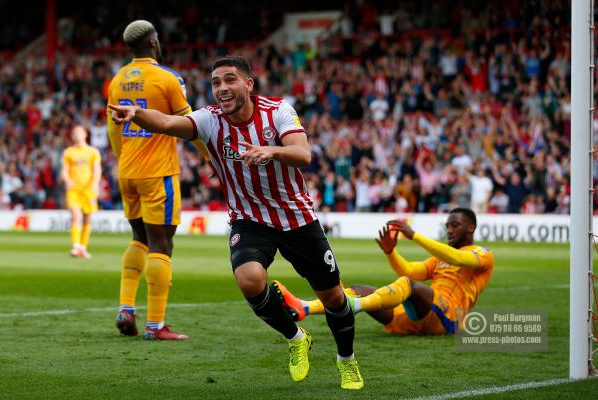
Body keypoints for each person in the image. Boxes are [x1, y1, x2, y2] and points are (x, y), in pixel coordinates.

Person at [108, 55, 363, 389]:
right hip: (249, 219)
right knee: (249, 280)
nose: (222, 88)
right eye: (216, 82)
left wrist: (269, 151)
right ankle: (297, 337)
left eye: (229, 80)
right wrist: (137, 114)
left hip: (296, 218)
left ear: (248, 84)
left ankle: (347, 361)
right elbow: (168, 123)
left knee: (333, 298)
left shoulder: (278, 111)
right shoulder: (210, 120)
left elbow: (303, 155)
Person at [107, 20, 208, 341]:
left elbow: (114, 130)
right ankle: (155, 325)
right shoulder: (167, 78)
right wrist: (210, 157)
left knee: (139, 238)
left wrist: (123, 160)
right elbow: (190, 122)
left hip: (128, 170)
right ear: (153, 43)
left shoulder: (117, 79)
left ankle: (126, 308)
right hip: (157, 171)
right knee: (162, 244)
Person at [273, 208, 494, 336]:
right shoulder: (439, 259)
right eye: (447, 226)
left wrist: (414, 235)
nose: (450, 230)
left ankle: (355, 306)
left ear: (471, 228)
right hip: (416, 317)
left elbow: (458, 258)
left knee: (407, 284)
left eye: (455, 225)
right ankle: (304, 308)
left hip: (447, 319)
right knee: (358, 289)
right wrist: (391, 253)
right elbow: (409, 269)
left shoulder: (482, 254)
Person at [60, 125, 101, 259]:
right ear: (72, 136)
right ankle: (76, 246)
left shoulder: (93, 152)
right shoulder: (68, 152)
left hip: (88, 189)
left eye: (79, 132)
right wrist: (67, 180)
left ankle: (83, 247)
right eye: (74, 132)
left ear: (85, 134)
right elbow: (64, 170)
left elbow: (97, 169)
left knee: (87, 218)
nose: (76, 134)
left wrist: (95, 184)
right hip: (74, 190)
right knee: (75, 216)